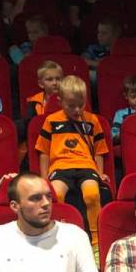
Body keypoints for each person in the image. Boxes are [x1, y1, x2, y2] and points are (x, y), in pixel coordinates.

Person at [36, 76, 111, 255]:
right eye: (71, 106)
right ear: (60, 101)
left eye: (81, 105)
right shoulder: (51, 121)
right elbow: (44, 151)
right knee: (56, 195)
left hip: (86, 166)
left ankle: (96, 242)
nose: (77, 110)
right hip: (60, 167)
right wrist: (44, 177)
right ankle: (58, 237)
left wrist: (99, 173)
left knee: (92, 194)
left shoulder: (92, 121)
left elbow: (99, 151)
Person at [111, 75, 136, 144]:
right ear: (126, 96)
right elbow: (113, 136)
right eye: (133, 97)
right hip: (129, 143)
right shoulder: (120, 114)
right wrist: (125, 132)